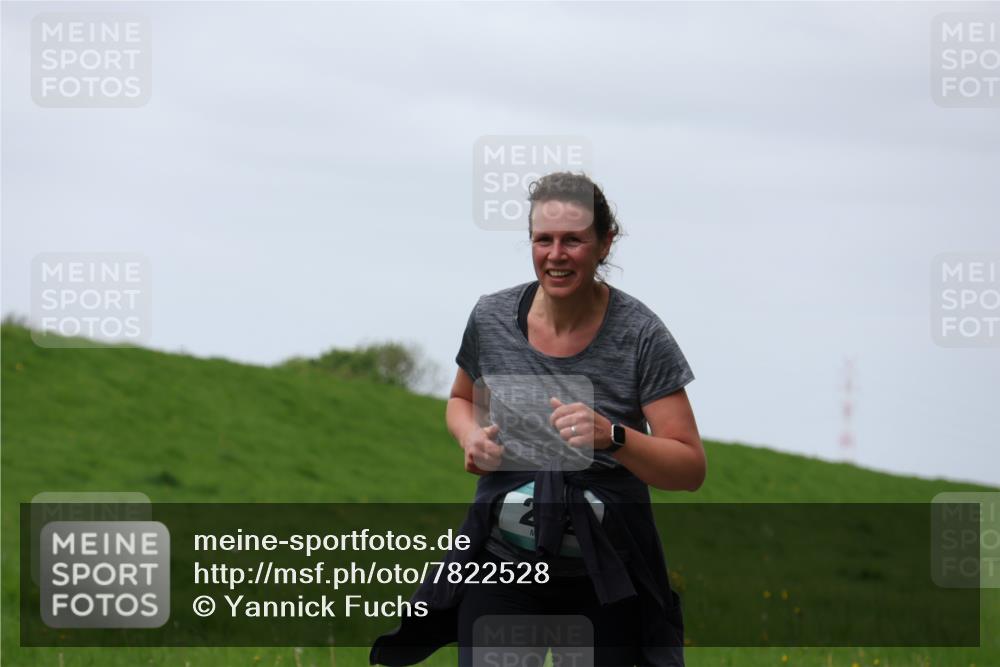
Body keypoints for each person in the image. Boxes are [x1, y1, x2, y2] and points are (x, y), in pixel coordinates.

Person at [370, 172, 705, 667]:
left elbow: (689, 467)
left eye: (573, 240)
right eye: (543, 239)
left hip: (605, 582)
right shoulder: (492, 317)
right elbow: (461, 399)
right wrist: (471, 438)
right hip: (501, 567)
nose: (556, 255)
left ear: (605, 243)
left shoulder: (641, 335)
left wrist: (613, 437)